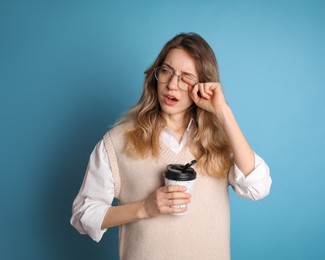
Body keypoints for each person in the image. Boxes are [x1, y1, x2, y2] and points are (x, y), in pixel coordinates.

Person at [70, 32, 272, 260]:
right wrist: (144, 208)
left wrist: (223, 112)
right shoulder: (118, 142)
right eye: (166, 71)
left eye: (186, 77)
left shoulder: (221, 141)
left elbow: (258, 187)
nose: (172, 84)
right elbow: (83, 214)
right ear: (155, 76)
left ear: (203, 86)